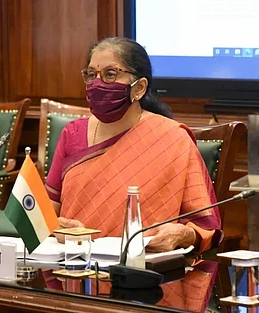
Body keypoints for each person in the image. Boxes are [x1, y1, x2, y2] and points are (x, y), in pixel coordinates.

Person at [46, 37, 222, 253]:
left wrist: (182, 234)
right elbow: (44, 213)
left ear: (139, 88)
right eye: (91, 75)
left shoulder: (172, 139)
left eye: (110, 74)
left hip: (143, 271)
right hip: (73, 268)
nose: (97, 84)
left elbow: (205, 227)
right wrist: (56, 227)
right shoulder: (72, 134)